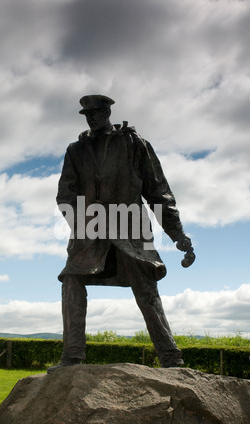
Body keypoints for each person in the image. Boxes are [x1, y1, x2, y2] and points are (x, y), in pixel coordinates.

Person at [47, 95, 195, 374]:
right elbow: (65, 194)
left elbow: (157, 191)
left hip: (130, 230)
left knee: (146, 288)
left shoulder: (133, 144)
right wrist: (82, 223)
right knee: (71, 280)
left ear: (108, 113)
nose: (92, 118)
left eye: (97, 113)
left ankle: (171, 358)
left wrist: (177, 234)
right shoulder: (76, 150)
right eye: (87, 114)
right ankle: (72, 357)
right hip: (90, 232)